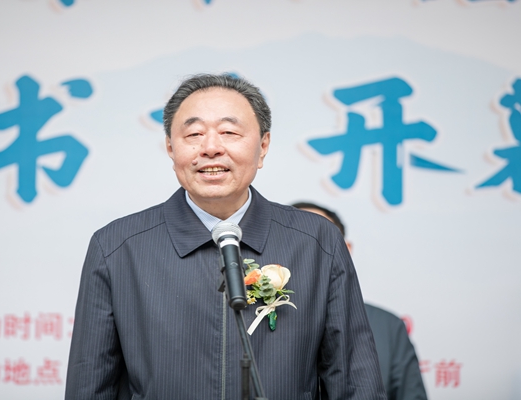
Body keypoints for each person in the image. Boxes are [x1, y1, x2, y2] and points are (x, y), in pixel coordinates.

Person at [65, 74, 386, 400]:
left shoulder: (315, 243)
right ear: (171, 147)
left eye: (229, 132)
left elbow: (355, 382)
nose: (211, 148)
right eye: (194, 134)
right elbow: (90, 385)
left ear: (263, 146)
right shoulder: (118, 248)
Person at [291, 202, 428, 400]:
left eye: (316, 243)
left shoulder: (388, 326)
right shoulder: (254, 320)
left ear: (346, 250)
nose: (305, 256)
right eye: (295, 245)